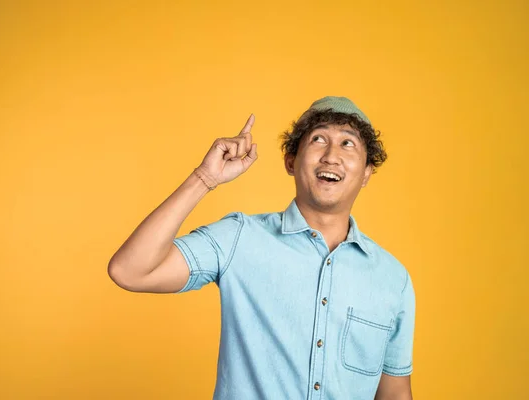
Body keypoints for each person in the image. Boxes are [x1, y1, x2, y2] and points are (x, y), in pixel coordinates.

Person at [108, 96, 416, 400]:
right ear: (291, 161)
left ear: (366, 173)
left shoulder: (393, 279)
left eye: (348, 143)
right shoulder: (239, 238)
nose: (331, 156)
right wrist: (204, 178)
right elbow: (131, 271)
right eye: (319, 139)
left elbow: (394, 394)